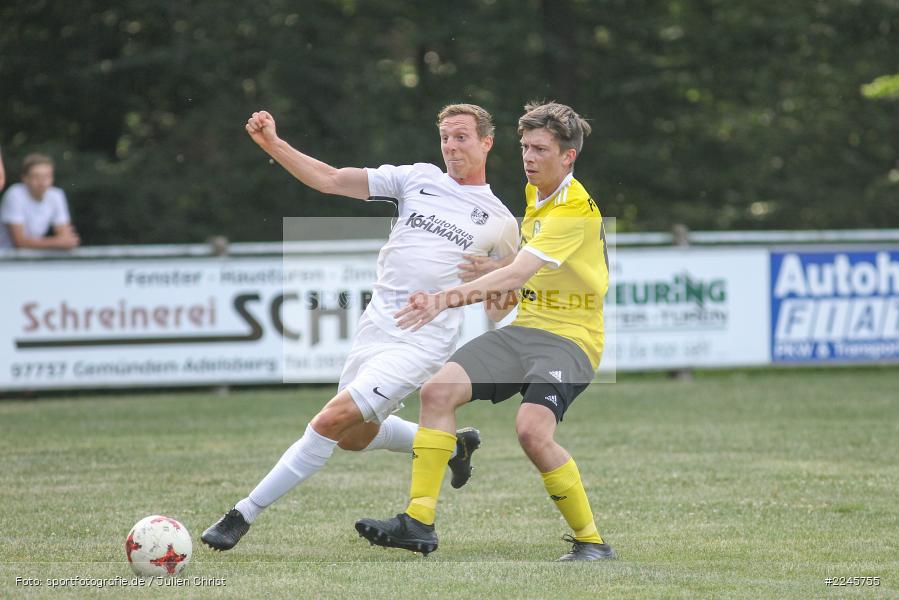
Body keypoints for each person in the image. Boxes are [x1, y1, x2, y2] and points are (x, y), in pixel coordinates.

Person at [201, 105, 520, 551]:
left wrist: (493, 282)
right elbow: (331, 179)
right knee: (353, 437)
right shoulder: (417, 177)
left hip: (423, 341)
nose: (451, 146)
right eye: (446, 137)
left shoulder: (501, 220)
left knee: (329, 420)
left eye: (462, 137)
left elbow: (502, 305)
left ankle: (241, 514)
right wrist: (274, 144)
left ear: (487, 142)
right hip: (375, 327)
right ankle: (450, 446)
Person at [355, 102, 615, 562]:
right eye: (525, 148)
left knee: (532, 432)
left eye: (540, 149)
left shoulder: (573, 208)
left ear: (568, 156)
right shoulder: (538, 192)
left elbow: (517, 275)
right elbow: (521, 271)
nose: (529, 158)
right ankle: (419, 521)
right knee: (437, 392)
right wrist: (500, 269)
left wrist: (445, 298)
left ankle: (591, 541)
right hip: (526, 330)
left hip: (572, 339)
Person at [0, 153, 80, 250]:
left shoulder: (56, 195)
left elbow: (65, 235)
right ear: (25, 178)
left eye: (46, 176)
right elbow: (19, 242)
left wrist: (63, 241)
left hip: (33, 259)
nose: (42, 181)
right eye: (36, 176)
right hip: (6, 259)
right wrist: (59, 242)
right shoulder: (14, 194)